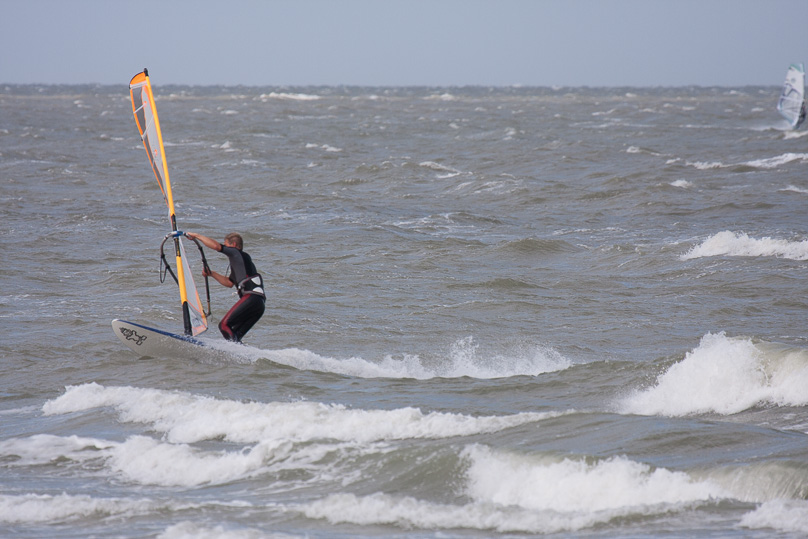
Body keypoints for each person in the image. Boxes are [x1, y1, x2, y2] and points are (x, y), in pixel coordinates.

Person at [185, 231, 265, 342]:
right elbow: (229, 283)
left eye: (226, 245)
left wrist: (197, 236)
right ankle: (240, 353)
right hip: (259, 304)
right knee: (234, 334)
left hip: (251, 298)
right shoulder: (242, 264)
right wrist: (211, 273)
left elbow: (216, 246)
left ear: (234, 245)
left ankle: (235, 351)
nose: (226, 250)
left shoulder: (237, 253)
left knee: (224, 325)